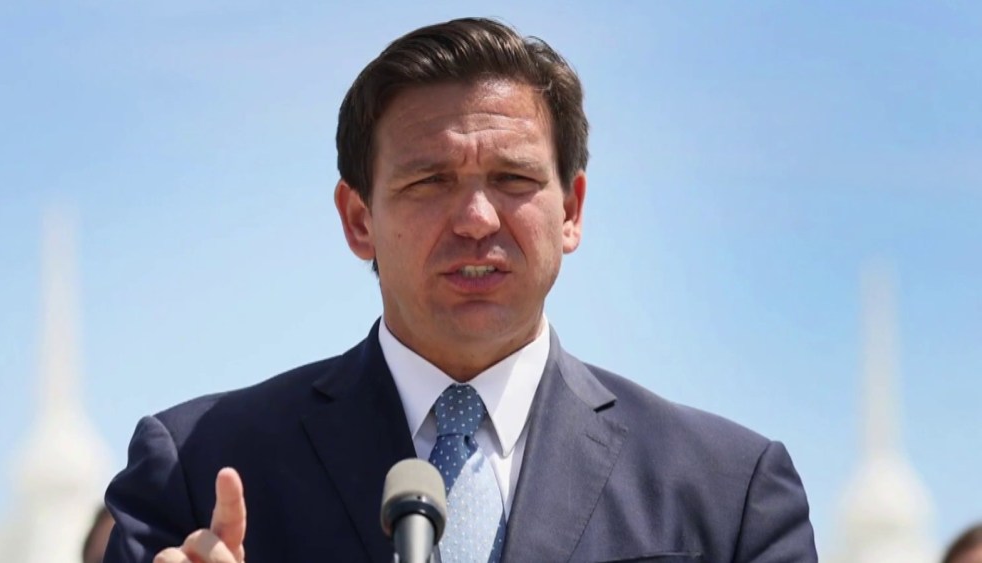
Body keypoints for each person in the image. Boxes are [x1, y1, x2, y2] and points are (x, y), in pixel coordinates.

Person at [103, 17, 818, 562]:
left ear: (571, 210)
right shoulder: (196, 468)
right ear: (359, 220)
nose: (477, 219)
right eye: (429, 182)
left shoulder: (729, 493)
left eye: (512, 179)